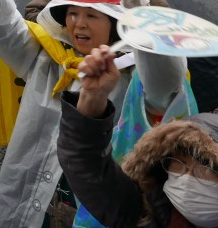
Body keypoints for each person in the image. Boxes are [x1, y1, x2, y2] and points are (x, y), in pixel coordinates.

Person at [0, 0, 189, 228]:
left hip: (94, 211)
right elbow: (3, 30)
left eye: (92, 15)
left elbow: (168, 85)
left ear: (114, 24)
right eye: (71, 13)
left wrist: (137, 3)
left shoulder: (137, 71)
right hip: (35, 204)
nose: (78, 24)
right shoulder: (47, 57)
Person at [58, 46, 218, 228]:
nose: (186, 180)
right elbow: (87, 164)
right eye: (178, 165)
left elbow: (163, 85)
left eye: (204, 168)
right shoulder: (145, 212)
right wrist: (93, 99)